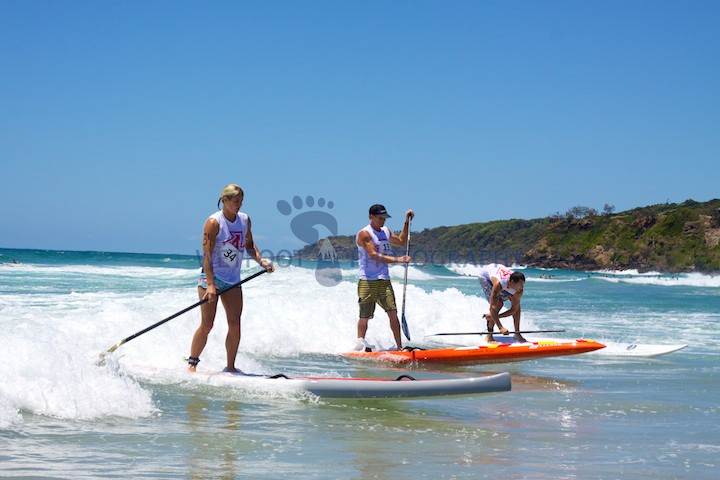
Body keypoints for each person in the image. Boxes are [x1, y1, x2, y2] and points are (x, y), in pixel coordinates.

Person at [187, 184, 274, 373]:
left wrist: (261, 261)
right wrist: (211, 285)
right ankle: (192, 363)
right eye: (235, 201)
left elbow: (249, 245)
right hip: (211, 278)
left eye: (241, 201)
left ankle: (231, 367)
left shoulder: (245, 220)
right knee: (207, 324)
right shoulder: (214, 222)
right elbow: (207, 255)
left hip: (233, 280)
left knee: (235, 324)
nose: (239, 205)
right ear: (224, 200)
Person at [354, 204, 414, 351]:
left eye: (384, 218)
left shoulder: (385, 231)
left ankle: (399, 348)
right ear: (371, 217)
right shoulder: (365, 234)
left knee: (393, 313)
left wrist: (407, 222)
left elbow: (401, 241)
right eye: (380, 218)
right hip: (368, 280)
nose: (383, 220)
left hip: (384, 280)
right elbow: (373, 255)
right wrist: (398, 260)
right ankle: (359, 345)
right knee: (365, 316)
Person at [479, 264, 526, 343]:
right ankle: (489, 335)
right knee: (498, 304)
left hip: (503, 278)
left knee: (517, 307)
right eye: (520, 284)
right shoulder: (499, 284)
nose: (522, 287)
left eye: (523, 284)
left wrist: (495, 317)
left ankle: (517, 333)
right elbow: (492, 308)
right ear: (512, 282)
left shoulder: (519, 290)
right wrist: (500, 327)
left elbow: (514, 310)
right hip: (486, 278)